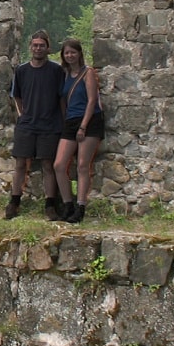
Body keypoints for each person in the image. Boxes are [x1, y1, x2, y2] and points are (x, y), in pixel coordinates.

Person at [6, 30, 65, 220]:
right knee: (20, 163)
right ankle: (14, 202)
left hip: (50, 124)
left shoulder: (56, 71)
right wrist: (21, 114)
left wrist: (63, 121)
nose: (38, 48)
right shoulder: (22, 71)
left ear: (48, 48)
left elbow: (62, 98)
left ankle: (50, 205)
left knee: (48, 164)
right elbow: (16, 95)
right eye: (35, 45)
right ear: (30, 47)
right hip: (27, 124)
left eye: (42, 45)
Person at [53, 38, 103, 224]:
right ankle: (68, 204)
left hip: (89, 121)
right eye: (67, 53)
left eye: (73, 52)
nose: (70, 55)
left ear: (79, 53)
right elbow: (62, 99)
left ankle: (81, 206)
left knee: (82, 165)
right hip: (71, 120)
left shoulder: (87, 73)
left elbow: (92, 100)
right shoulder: (65, 74)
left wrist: (83, 125)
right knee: (59, 165)